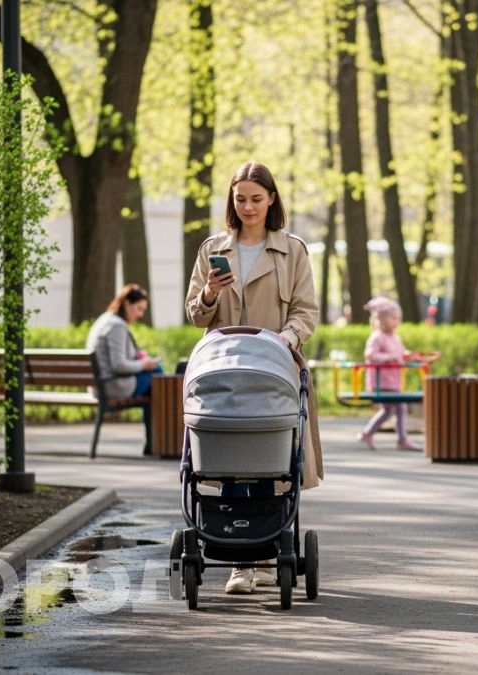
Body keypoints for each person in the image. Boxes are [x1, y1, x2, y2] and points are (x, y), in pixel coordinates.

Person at [184, 161, 322, 595]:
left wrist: (287, 336)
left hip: (274, 367)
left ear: (272, 199)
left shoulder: (292, 250)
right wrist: (210, 293)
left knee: (272, 465)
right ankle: (240, 563)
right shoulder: (212, 248)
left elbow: (306, 311)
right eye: (240, 198)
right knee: (227, 462)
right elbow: (194, 314)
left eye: (256, 199)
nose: (247, 207)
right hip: (223, 373)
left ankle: (264, 555)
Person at [84, 284, 164, 456]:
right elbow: (118, 365)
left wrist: (139, 359)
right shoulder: (117, 326)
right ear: (127, 303)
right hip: (113, 386)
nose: (140, 314)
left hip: (101, 385)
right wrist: (144, 365)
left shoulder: (105, 319)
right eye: (138, 309)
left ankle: (154, 443)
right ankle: (159, 442)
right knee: (158, 376)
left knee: (155, 383)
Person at [357, 297, 420, 451]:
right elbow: (370, 354)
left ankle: (370, 433)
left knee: (391, 410)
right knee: (396, 408)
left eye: (398, 318)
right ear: (381, 319)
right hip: (381, 382)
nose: (396, 321)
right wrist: (388, 358)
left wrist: (407, 355)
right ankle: (401, 438)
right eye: (393, 318)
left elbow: (399, 353)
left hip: (393, 381)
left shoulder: (396, 338)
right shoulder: (377, 337)